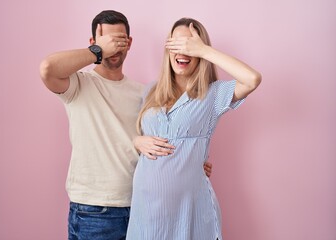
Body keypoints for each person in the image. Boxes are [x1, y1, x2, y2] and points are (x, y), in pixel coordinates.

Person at [39, 10, 213, 240]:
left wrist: (189, 164)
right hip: (96, 210)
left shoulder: (146, 92)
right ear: (93, 43)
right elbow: (47, 69)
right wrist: (98, 52)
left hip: (144, 206)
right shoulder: (77, 85)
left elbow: (160, 142)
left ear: (129, 43)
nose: (114, 48)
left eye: (119, 41)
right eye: (107, 42)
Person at [126, 17, 262, 240]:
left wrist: (205, 50)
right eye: (177, 45)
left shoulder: (213, 94)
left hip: (188, 210)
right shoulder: (150, 91)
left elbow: (252, 79)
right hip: (146, 210)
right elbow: (142, 136)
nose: (183, 51)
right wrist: (137, 141)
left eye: (189, 45)